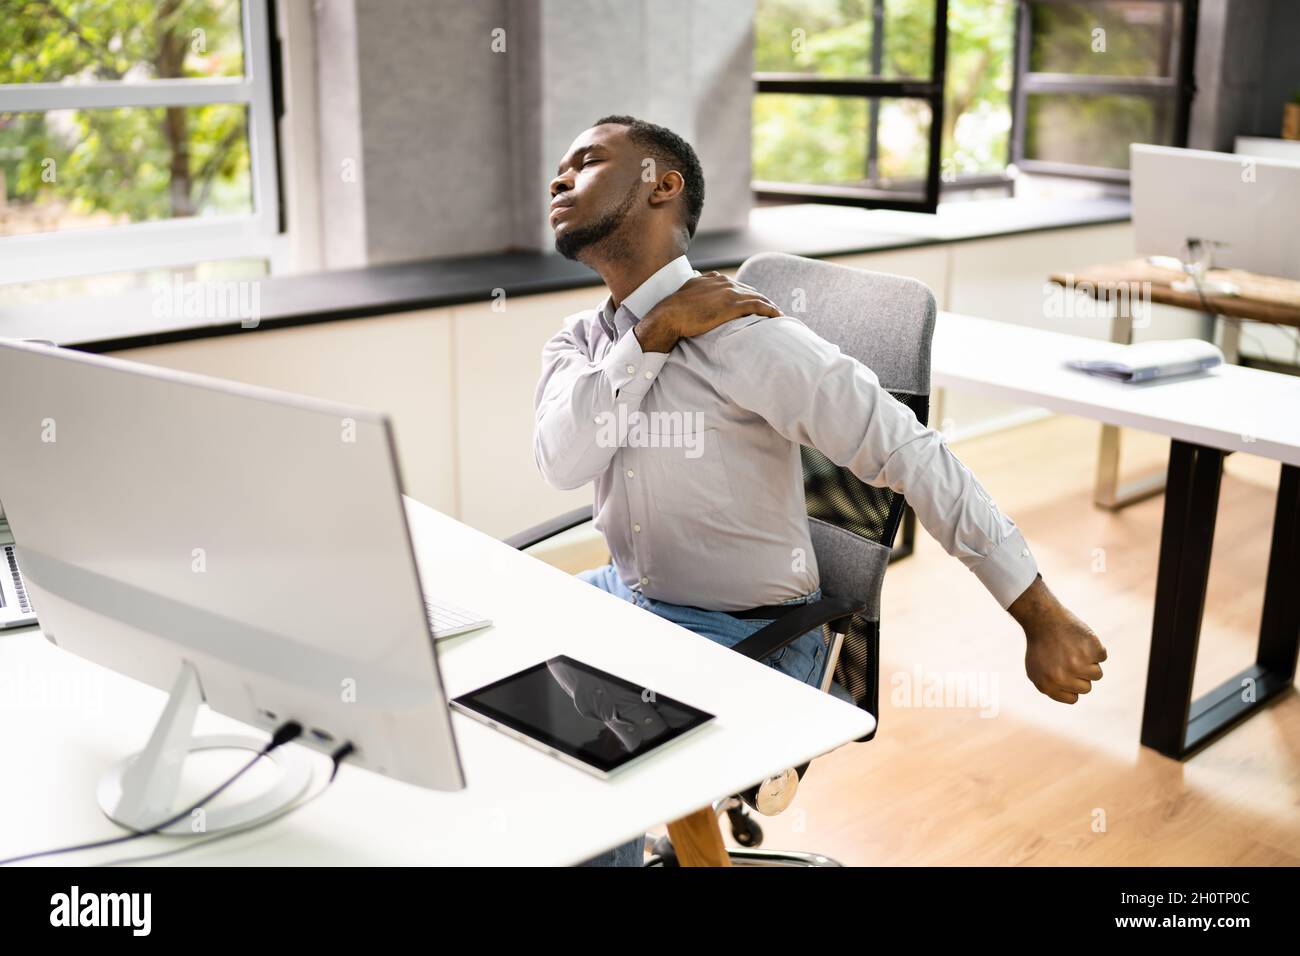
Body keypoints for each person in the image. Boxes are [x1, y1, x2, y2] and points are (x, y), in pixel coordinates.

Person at [535, 115, 1108, 867]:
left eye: (588, 160)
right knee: (496, 702)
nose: (559, 177)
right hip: (627, 599)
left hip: (751, 633)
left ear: (661, 186)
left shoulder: (747, 338)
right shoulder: (581, 343)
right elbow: (563, 463)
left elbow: (912, 453)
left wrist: (1040, 615)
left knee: (591, 771)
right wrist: (652, 336)